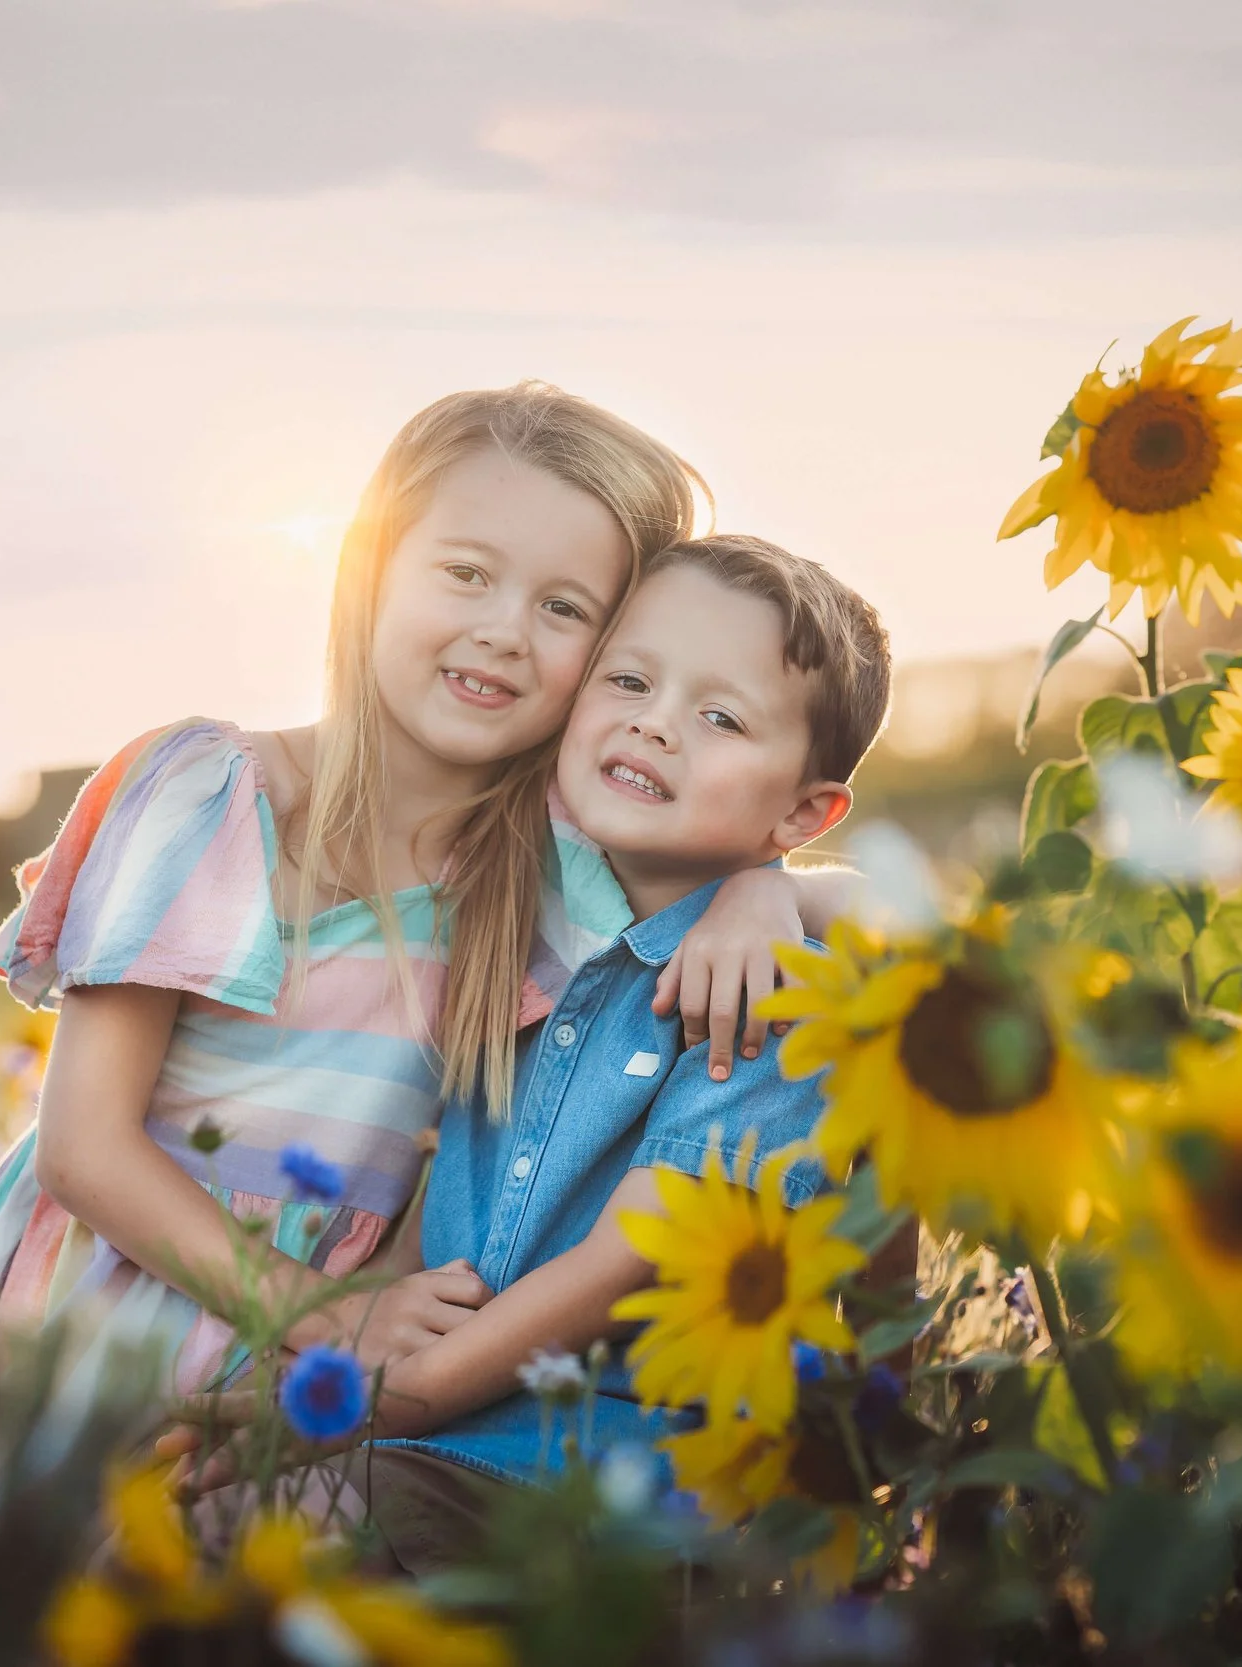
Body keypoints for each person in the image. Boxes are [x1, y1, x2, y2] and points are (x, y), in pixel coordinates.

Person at [0, 389, 826, 1552]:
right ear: (368, 568)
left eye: (564, 607)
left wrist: (765, 887)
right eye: (465, 573)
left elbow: (812, 883)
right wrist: (314, 1312)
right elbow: (85, 1144)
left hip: (330, 1367)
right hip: (108, 1309)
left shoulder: (549, 869)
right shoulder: (211, 793)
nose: (504, 630)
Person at [191, 533, 893, 1571]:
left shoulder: (766, 1000)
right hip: (433, 1434)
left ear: (802, 811)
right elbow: (437, 1200)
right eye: (627, 679)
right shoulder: (525, 911)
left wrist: (324, 1405)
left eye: (719, 716)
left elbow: (629, 1262)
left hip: (598, 1478)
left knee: (260, 1546)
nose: (654, 721)